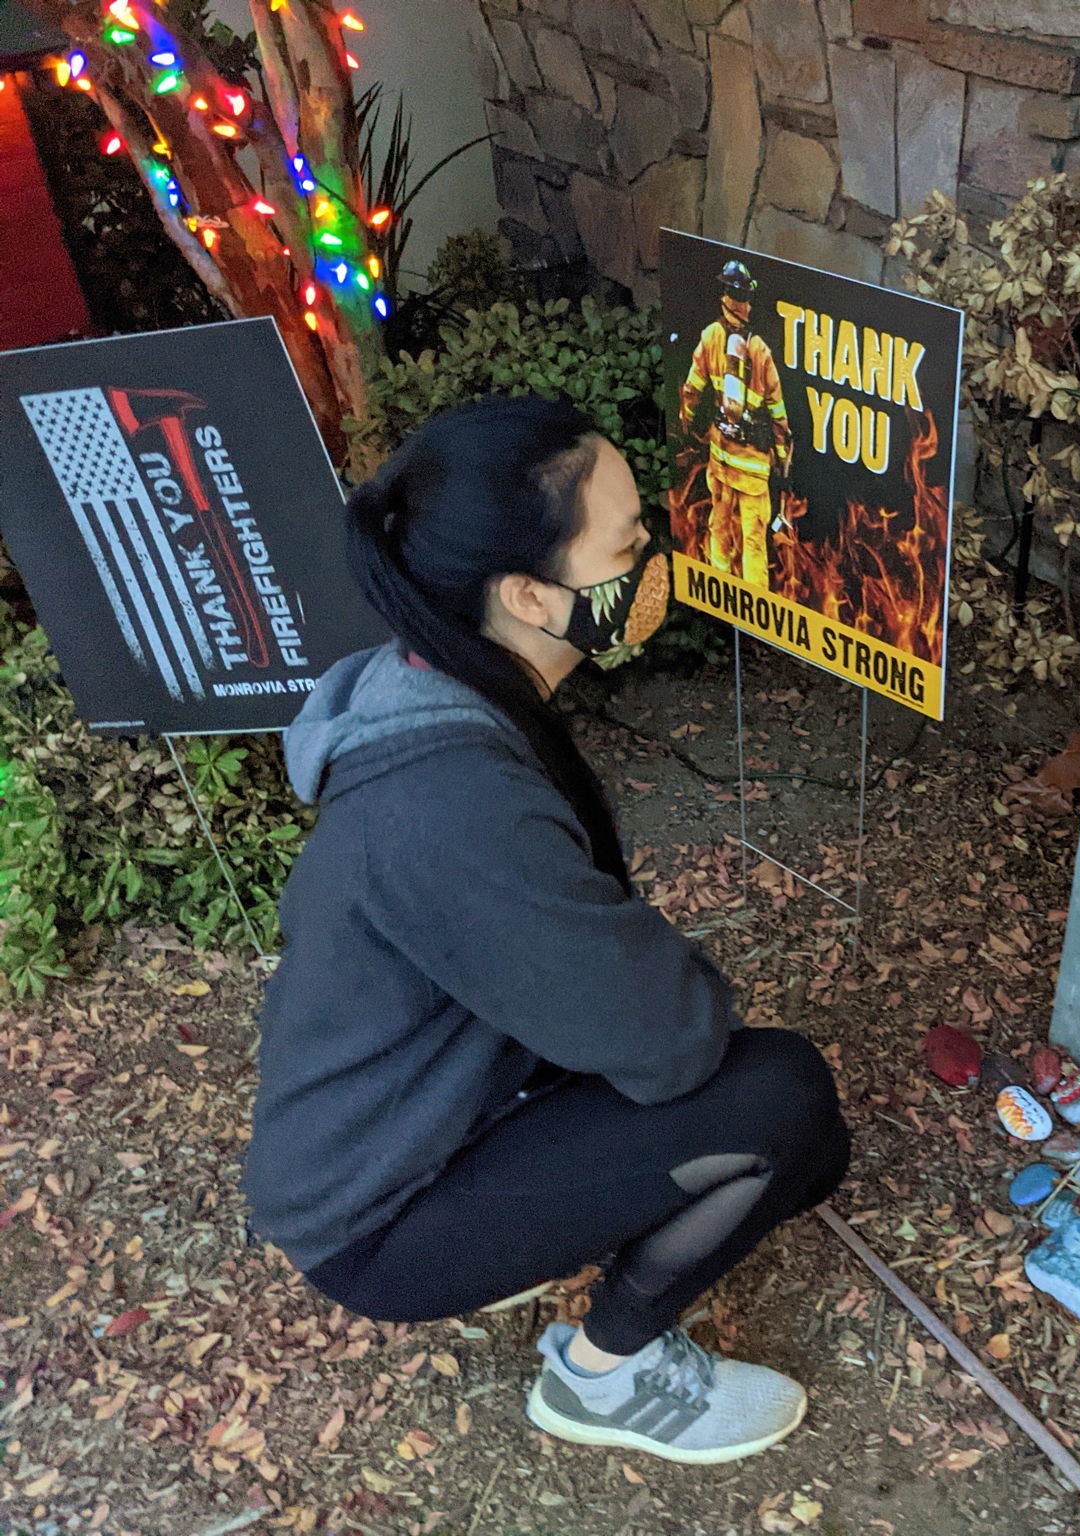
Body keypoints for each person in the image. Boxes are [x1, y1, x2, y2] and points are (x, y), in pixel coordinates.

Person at [240, 395, 851, 1466]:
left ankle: (546, 1225)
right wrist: (663, 987)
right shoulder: (449, 804)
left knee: (807, 1151)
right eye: (627, 544)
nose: (654, 557)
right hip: (378, 1217)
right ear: (528, 593)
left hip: (432, 1112)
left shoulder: (434, 681)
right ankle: (601, 1378)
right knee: (782, 1104)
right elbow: (669, 1043)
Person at [676, 260, 792, 590]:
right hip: (753, 468)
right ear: (740, 301)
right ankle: (754, 602)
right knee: (754, 539)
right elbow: (778, 413)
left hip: (720, 458)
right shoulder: (759, 350)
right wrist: (782, 457)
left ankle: (720, 590)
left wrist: (688, 428)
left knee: (719, 525)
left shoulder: (710, 336)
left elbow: (691, 390)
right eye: (747, 299)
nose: (749, 306)